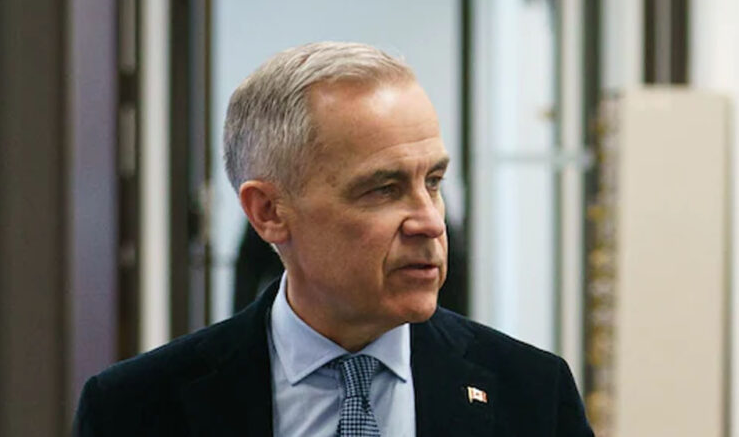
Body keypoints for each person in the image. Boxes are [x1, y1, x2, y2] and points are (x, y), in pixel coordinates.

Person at [74, 41, 594, 436]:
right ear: (269, 212)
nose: (430, 222)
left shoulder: (531, 394)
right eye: (383, 189)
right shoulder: (135, 409)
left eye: (433, 182)